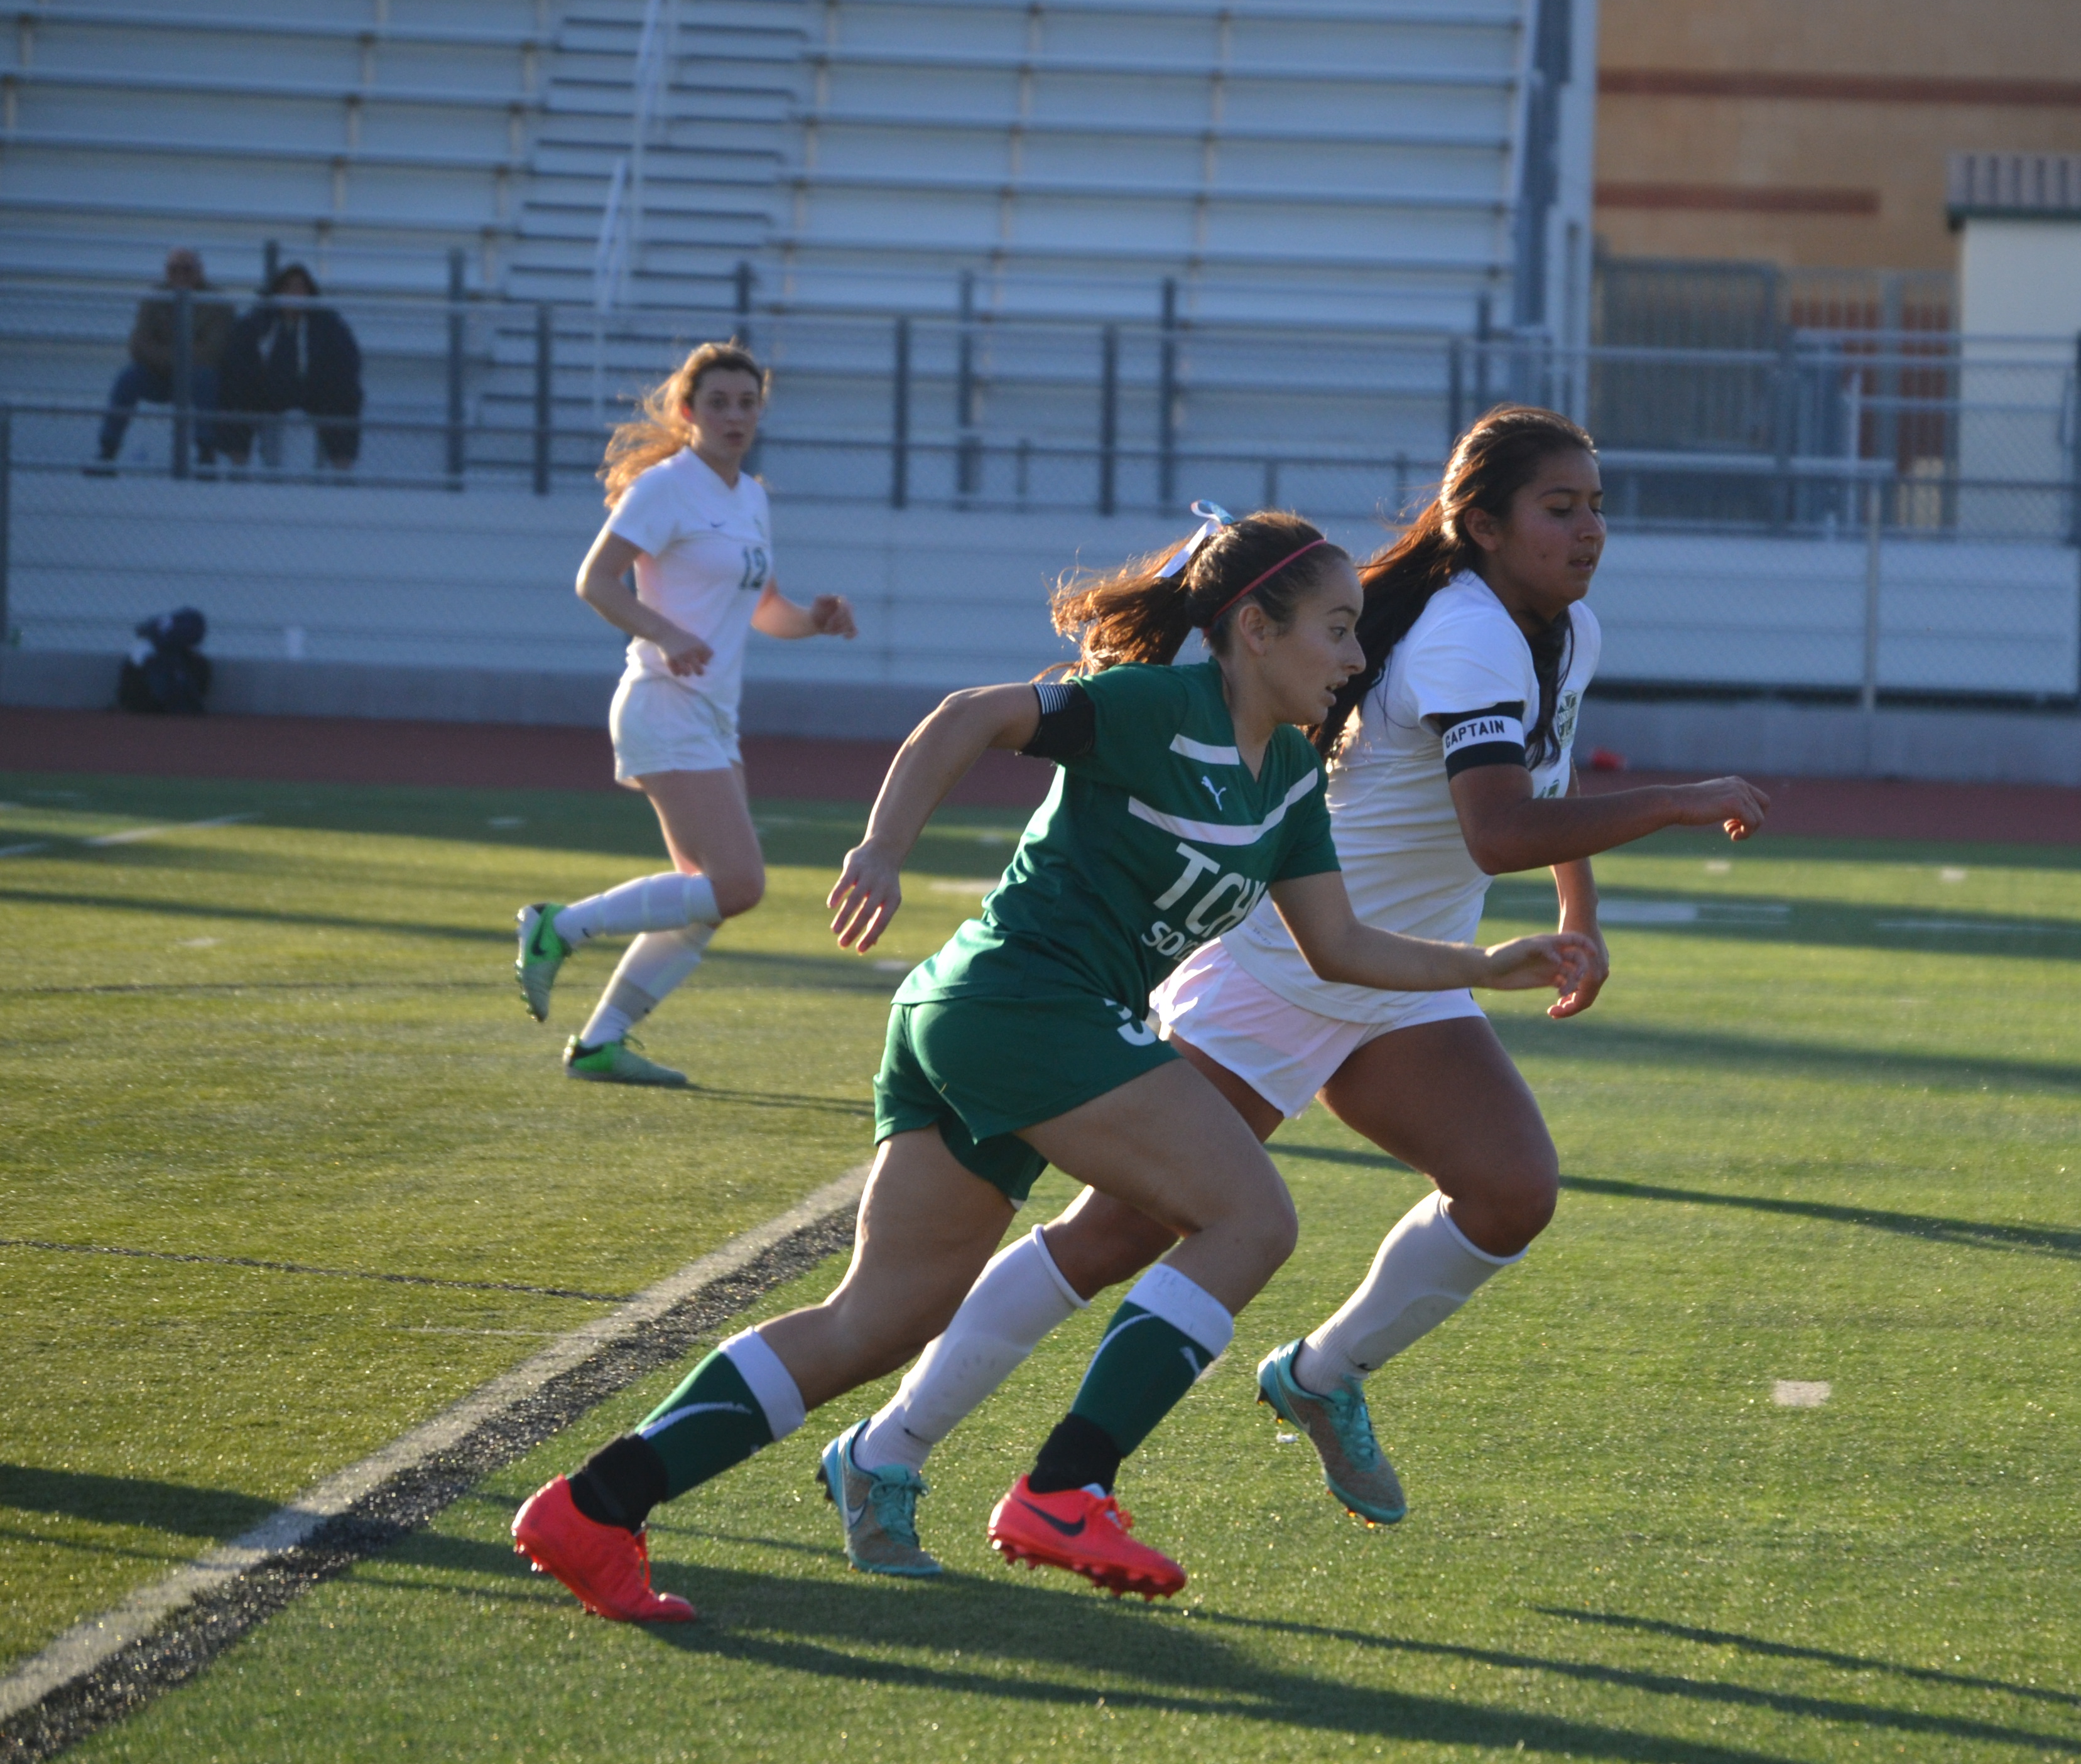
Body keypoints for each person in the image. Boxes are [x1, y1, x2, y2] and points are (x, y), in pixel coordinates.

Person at [509, 510, 1602, 1617]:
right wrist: (881, 850)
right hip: (1020, 1004)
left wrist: (1489, 962)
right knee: (1251, 1219)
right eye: (1335, 628)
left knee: (877, 1320)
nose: (1357, 658)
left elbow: (1344, 948)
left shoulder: (1285, 784)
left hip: (986, 1020)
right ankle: (1068, 1484)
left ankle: (596, 1506)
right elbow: (969, 714)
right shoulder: (1150, 709)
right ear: (1255, 631)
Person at [811, 408, 1768, 1578]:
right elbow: (1499, 825)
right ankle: (892, 1448)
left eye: (1595, 505)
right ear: (1480, 522)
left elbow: (1544, 774)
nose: (1587, 531)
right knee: (1117, 1229)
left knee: (1510, 1189)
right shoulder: (1467, 632)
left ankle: (1318, 1375)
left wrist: (1581, 914)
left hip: (1396, 973)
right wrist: (1676, 798)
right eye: (1558, 508)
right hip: (1291, 958)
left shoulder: (1556, 627)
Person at [510, 342, 856, 1086]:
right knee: (738, 886)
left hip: (710, 716)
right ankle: (557, 927)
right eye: (718, 403)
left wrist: (814, 620)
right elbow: (595, 582)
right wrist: (665, 633)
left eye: (746, 403)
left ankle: (602, 1041)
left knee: (704, 899)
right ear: (686, 412)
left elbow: (764, 610)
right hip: (663, 703)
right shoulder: (666, 488)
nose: (735, 416)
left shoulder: (749, 497)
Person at [90, 248, 232, 475]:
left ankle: (206, 453)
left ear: (200, 271)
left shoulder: (217, 302)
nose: (180, 275)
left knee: (207, 378)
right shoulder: (155, 298)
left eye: (187, 269)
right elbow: (139, 345)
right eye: (173, 269)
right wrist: (181, 357)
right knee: (129, 378)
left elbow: (214, 351)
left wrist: (166, 355)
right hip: (161, 376)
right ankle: (108, 451)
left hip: (196, 379)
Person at [216, 263, 364, 470]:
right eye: (288, 288)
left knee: (345, 396)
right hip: (265, 389)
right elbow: (237, 358)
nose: (294, 294)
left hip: (313, 390)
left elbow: (348, 360)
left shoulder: (327, 323)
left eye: (300, 288)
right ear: (277, 292)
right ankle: (238, 465)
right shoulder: (257, 321)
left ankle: (342, 468)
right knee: (236, 393)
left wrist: (325, 379)